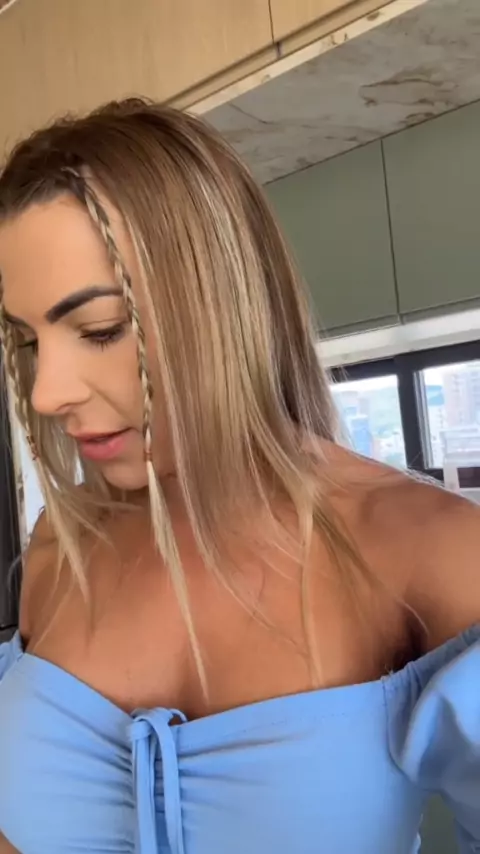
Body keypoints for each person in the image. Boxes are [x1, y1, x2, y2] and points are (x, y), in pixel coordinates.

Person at [0, 98, 478, 854]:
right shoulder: (58, 552)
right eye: (28, 342)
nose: (46, 394)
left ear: (222, 302)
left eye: (100, 329)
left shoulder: (435, 556)